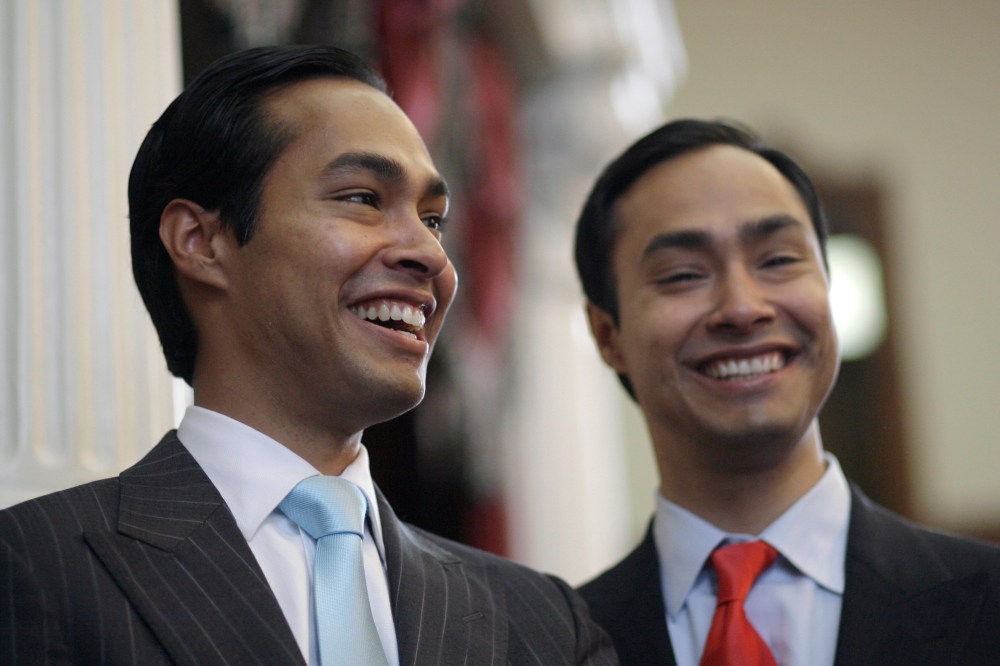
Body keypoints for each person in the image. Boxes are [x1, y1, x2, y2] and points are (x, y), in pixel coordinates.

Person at [0, 45, 615, 665]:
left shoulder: (544, 624)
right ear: (201, 242)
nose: (430, 256)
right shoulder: (33, 567)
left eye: (434, 221)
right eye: (363, 198)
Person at [573, 118, 1000, 665]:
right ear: (608, 336)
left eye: (778, 260)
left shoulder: (987, 601)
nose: (744, 308)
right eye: (682, 274)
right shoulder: (557, 642)